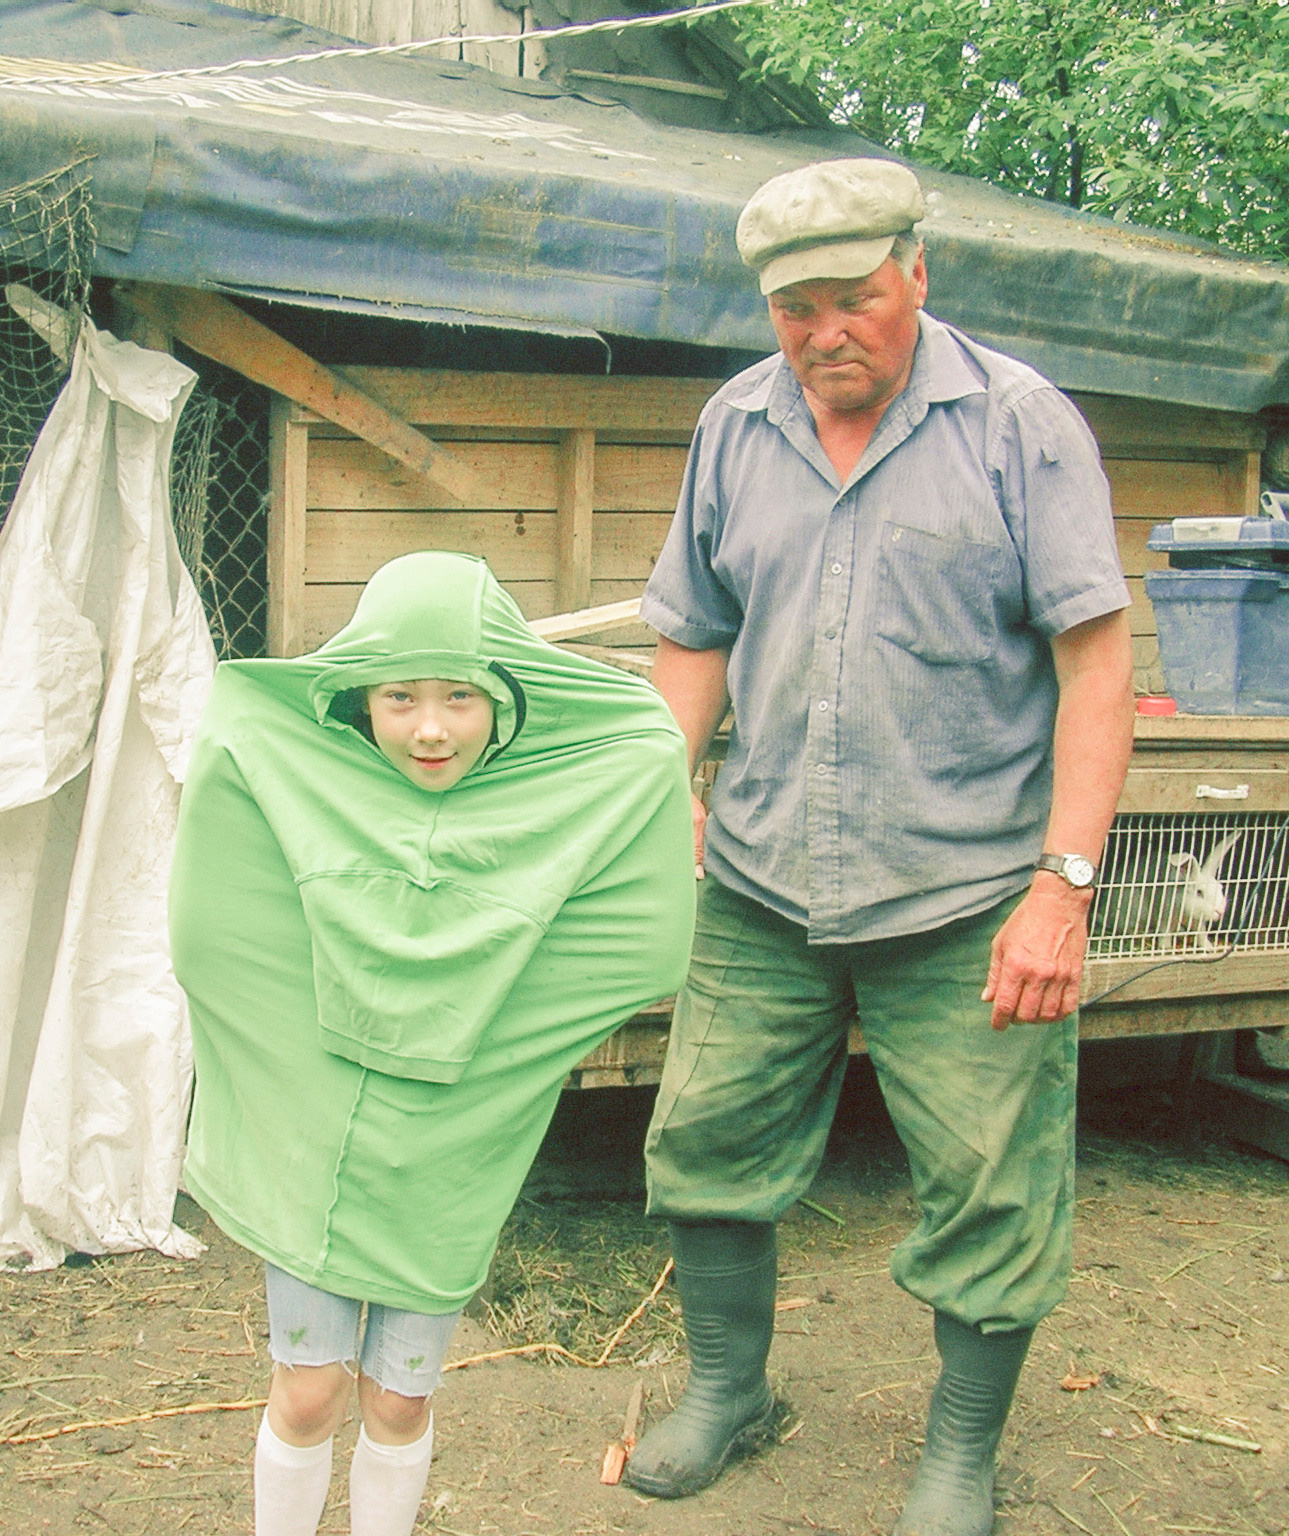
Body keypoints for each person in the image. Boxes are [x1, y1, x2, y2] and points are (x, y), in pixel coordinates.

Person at [622, 158, 1135, 1536]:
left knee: (991, 1192)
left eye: (855, 298)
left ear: (918, 272)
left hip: (970, 890)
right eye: (795, 310)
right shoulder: (734, 424)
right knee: (707, 1148)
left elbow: (1096, 666)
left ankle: (959, 1457)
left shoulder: (1022, 425)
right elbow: (694, 632)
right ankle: (728, 1389)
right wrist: (664, 789)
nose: (824, 334)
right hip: (762, 880)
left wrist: (1062, 891)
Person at [169, 551, 695, 1536]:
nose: (429, 726)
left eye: (461, 695)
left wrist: (502, 1049)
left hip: (447, 1156)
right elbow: (217, 927)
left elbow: (640, 944)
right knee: (311, 1391)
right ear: (358, 698)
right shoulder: (301, 784)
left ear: (505, 698)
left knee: (401, 1401)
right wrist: (282, 1056)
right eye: (398, 695)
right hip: (310, 1147)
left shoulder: (545, 810)